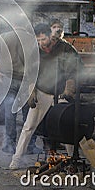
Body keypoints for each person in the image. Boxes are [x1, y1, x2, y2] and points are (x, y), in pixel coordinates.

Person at [9, 23, 80, 169]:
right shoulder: (34, 51)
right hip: (42, 92)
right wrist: (31, 91)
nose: (41, 43)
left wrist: (69, 88)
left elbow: (75, 69)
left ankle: (72, 159)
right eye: (38, 40)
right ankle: (16, 159)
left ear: (50, 36)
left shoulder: (64, 48)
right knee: (29, 126)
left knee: (65, 126)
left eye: (43, 40)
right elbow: (30, 73)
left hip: (61, 93)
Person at [0, 28, 42, 155]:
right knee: (28, 113)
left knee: (9, 112)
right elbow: (35, 62)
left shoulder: (3, 37)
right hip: (25, 80)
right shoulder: (30, 39)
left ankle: (9, 144)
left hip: (7, 79)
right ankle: (29, 145)